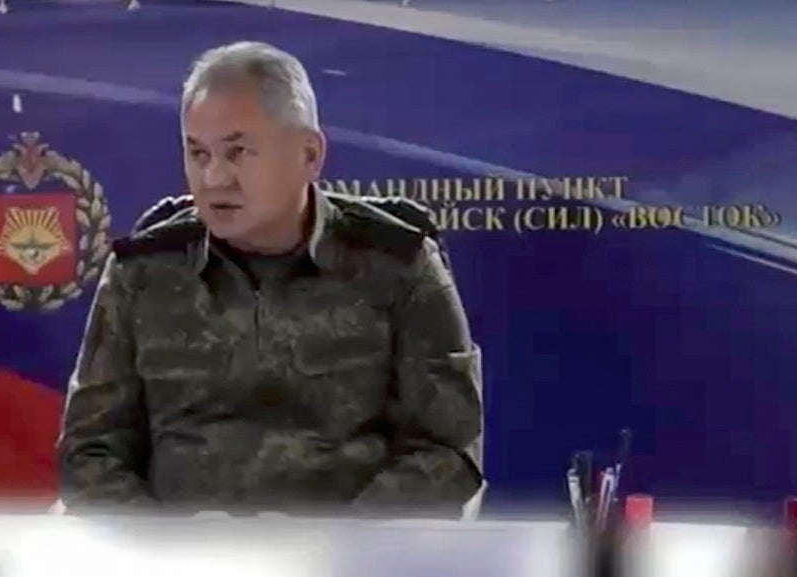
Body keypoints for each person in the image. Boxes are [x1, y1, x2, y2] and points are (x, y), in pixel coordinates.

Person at [57, 41, 484, 512]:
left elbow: (448, 451)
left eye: (238, 153)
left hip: (347, 571)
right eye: (197, 154)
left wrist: (330, 545)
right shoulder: (143, 273)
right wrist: (167, 549)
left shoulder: (398, 267)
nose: (214, 177)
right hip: (178, 572)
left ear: (309, 154)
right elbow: (90, 452)